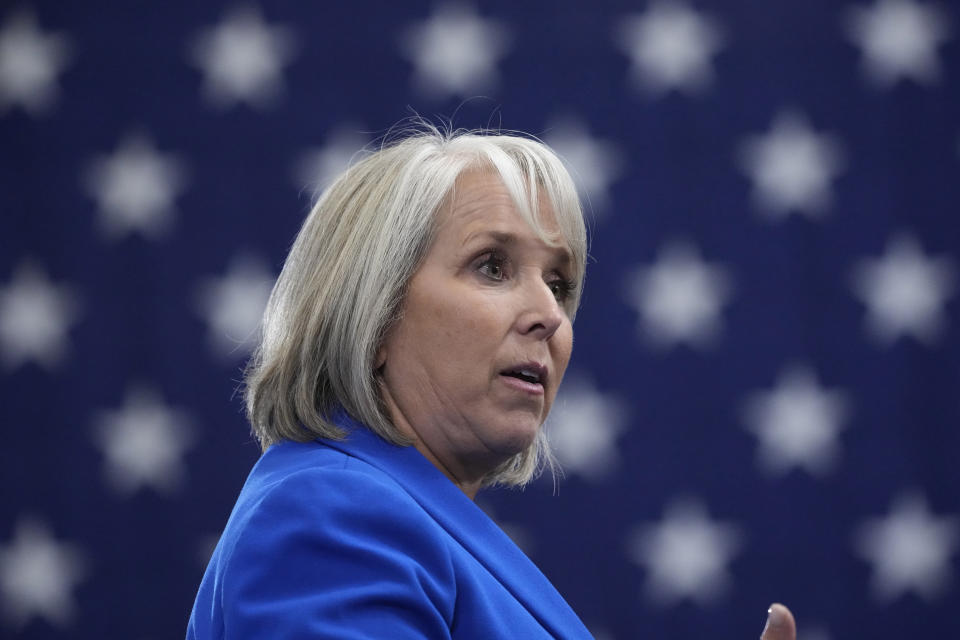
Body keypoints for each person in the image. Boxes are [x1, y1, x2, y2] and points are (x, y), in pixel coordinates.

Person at [186, 126, 797, 639]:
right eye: (492, 267)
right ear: (371, 316)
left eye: (559, 284)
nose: (549, 315)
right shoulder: (330, 519)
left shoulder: (407, 519)